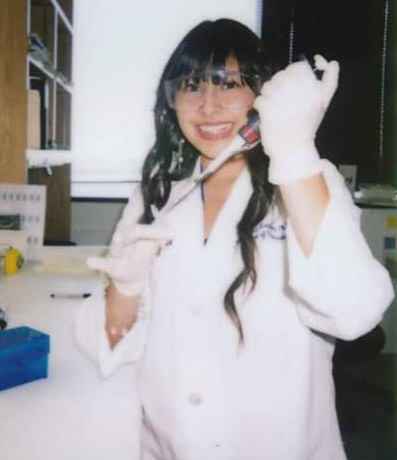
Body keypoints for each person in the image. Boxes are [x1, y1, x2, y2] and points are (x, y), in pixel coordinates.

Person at [75, 18, 394, 460]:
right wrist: (124, 290)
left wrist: (296, 153)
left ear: (264, 94)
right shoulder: (158, 193)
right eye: (192, 85)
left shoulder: (305, 182)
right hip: (168, 446)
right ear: (172, 100)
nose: (208, 105)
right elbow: (106, 344)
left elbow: (354, 311)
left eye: (228, 85)